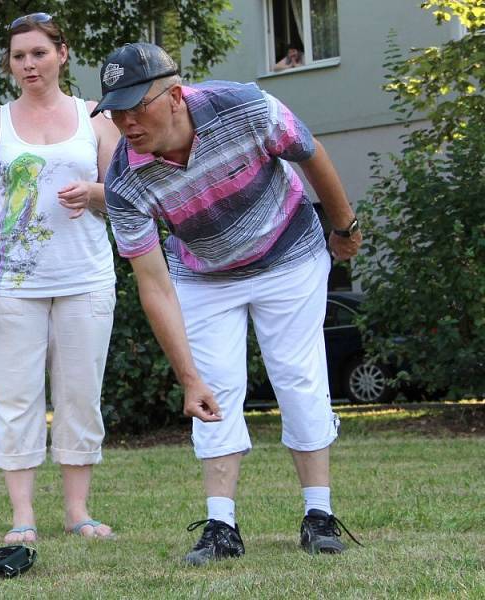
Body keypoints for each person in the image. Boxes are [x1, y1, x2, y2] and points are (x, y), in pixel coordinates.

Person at [90, 43, 363, 563]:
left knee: (298, 375)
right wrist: (187, 376)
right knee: (214, 388)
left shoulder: (245, 106)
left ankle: (319, 515)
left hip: (289, 252)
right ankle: (221, 528)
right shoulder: (124, 180)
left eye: (135, 106)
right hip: (204, 275)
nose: (125, 121)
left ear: (173, 96)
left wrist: (343, 224)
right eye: (115, 111)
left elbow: (310, 153)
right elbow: (154, 284)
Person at [0, 12, 120, 543]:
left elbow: (129, 196)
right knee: (17, 398)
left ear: (62, 54)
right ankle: (23, 516)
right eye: (18, 56)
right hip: (9, 285)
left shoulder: (97, 117)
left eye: (39, 53)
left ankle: (78, 511)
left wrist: (93, 195)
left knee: (79, 395)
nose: (28, 65)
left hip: (85, 278)